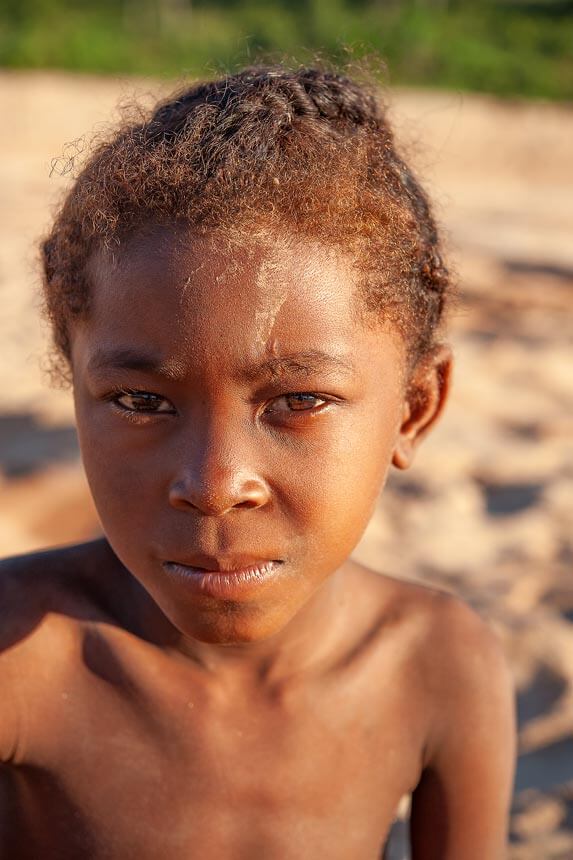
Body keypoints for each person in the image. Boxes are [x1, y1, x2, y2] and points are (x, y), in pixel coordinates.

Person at [0, 65, 515, 859]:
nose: (211, 486)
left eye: (297, 401)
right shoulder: (20, 663)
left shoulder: (439, 667)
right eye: (141, 402)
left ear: (413, 409)